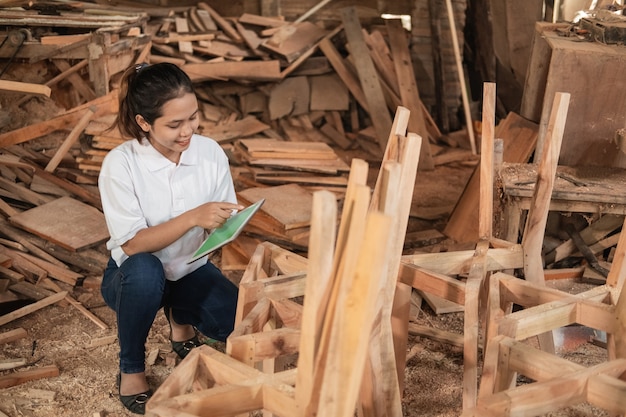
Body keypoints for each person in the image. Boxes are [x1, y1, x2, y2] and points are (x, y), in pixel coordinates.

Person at [98, 62, 242, 415]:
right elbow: (131, 244)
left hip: (189, 267)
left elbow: (217, 223)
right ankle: (131, 367)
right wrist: (194, 216)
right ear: (144, 123)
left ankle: (180, 318)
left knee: (232, 323)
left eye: (192, 117)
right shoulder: (121, 164)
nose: (187, 131)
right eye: (174, 124)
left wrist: (225, 225)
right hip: (133, 279)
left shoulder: (209, 152)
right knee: (146, 271)